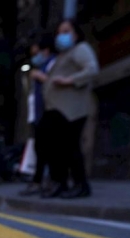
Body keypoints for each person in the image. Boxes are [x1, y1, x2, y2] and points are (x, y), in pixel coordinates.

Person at [38, 19, 99, 199]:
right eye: (59, 32)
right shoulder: (64, 54)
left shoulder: (80, 49)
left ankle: (81, 185)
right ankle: (60, 182)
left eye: (66, 31)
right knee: (55, 147)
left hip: (71, 111)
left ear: (76, 33)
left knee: (70, 147)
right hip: (58, 109)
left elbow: (92, 69)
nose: (61, 36)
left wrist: (69, 80)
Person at [19, 33, 57, 197]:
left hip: (49, 112)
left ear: (46, 50)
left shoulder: (53, 63)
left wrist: (41, 77)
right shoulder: (38, 68)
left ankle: (47, 181)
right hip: (38, 114)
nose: (35, 57)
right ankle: (38, 181)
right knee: (40, 149)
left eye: (37, 53)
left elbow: (56, 82)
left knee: (48, 149)